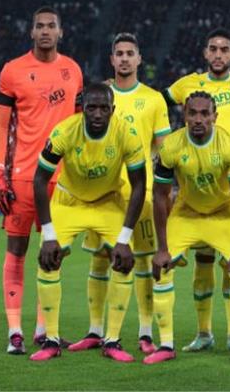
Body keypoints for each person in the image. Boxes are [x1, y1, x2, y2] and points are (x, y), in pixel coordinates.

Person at [162, 28, 230, 352]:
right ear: (205, 53)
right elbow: (153, 104)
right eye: (213, 48)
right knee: (203, 262)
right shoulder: (187, 85)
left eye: (224, 49)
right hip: (195, 187)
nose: (218, 54)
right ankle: (204, 333)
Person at [69, 33, 171, 355]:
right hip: (103, 195)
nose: (125, 58)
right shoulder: (98, 95)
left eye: (130, 53)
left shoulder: (153, 99)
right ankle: (95, 330)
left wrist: (166, 191)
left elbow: (164, 151)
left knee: (143, 262)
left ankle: (145, 332)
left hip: (141, 194)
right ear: (112, 59)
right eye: (119, 53)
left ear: (139, 59)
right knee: (100, 259)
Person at [30, 83, 146, 362]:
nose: (97, 114)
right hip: (69, 202)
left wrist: (124, 238)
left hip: (108, 202)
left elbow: (139, 186)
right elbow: (40, 180)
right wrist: (48, 234)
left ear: (112, 110)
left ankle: (112, 340)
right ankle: (51, 340)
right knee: (48, 261)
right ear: (82, 108)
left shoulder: (127, 134)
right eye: (91, 108)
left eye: (103, 108)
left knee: (124, 262)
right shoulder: (64, 132)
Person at [0, 6, 83, 354]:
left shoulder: (73, 70)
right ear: (31, 32)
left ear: (60, 32)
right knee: (16, 252)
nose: (45, 31)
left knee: (52, 255)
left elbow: (79, 126)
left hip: (61, 181)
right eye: (39, 26)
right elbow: (0, 127)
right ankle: (15, 332)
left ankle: (45, 331)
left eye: (51, 26)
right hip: (23, 178)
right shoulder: (12, 71)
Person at [147, 91, 230, 366]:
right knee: (161, 267)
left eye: (205, 113)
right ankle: (167, 344)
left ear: (215, 116)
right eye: (192, 113)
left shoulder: (229, 146)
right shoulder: (171, 146)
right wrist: (161, 248)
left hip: (222, 213)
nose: (198, 119)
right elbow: (159, 195)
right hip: (187, 213)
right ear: (184, 115)